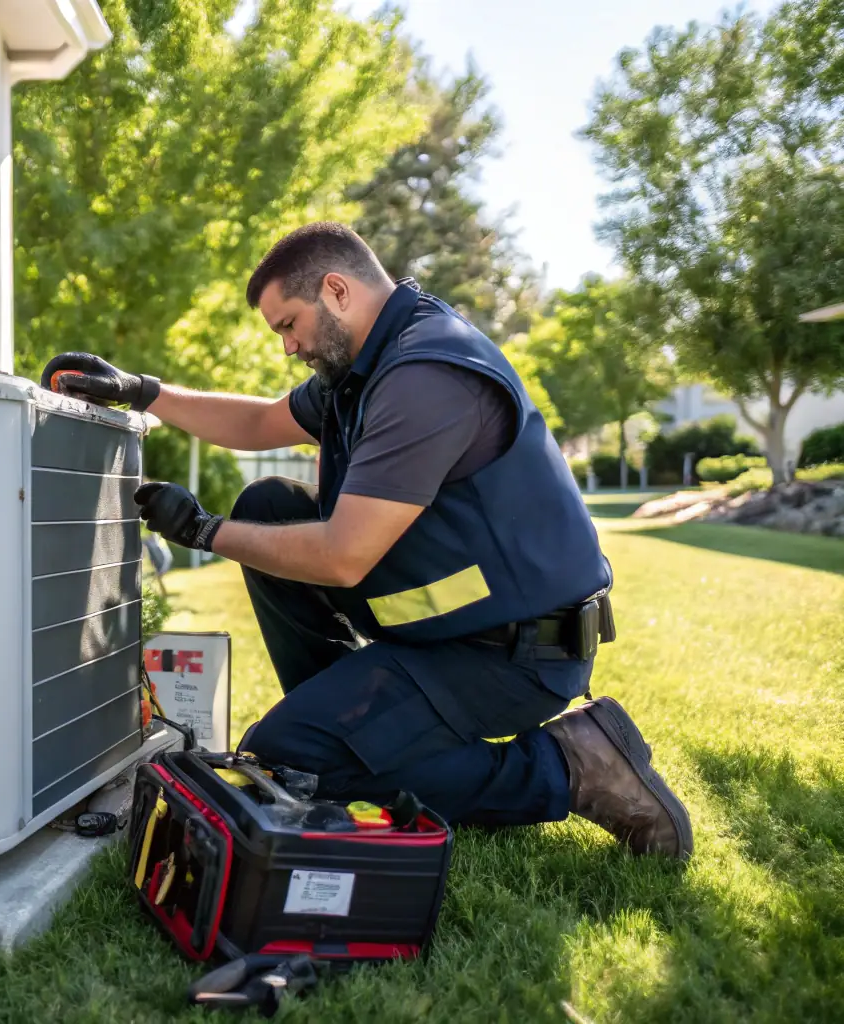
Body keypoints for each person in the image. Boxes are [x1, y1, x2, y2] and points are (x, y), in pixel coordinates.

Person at [40, 222, 692, 860]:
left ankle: (570, 767)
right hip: (447, 632)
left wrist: (205, 532)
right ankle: (345, 728)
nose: (287, 347)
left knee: (291, 763)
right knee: (267, 506)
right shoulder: (363, 368)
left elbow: (343, 556)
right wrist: (142, 392)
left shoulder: (423, 376)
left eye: (287, 324)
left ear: (335, 290)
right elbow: (260, 420)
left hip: (513, 655)